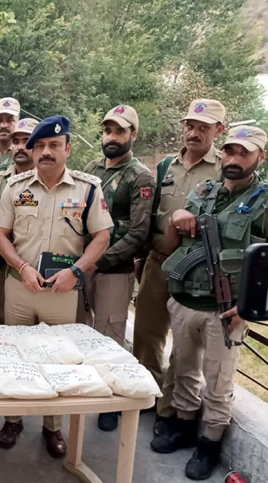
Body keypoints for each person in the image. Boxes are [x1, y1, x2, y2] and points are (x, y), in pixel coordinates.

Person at [152, 125, 268, 480]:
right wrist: (177, 217)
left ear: (260, 157)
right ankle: (185, 427)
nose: (234, 159)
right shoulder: (203, 191)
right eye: (230, 151)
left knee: (218, 381)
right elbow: (172, 241)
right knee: (184, 370)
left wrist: (250, 307)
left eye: (244, 153)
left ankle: (209, 443)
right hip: (186, 299)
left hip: (227, 310)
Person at [0, 116, 112, 456]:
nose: (47, 152)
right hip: (20, 286)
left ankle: (52, 426)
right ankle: (13, 420)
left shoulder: (87, 188)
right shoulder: (16, 187)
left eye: (54, 146)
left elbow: (102, 236)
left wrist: (76, 270)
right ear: (31, 152)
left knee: (58, 362)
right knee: (16, 357)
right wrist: (21, 266)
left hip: (62, 291)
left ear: (68, 148)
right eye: (40, 146)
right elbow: (1, 235)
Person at [133, 99, 225, 436]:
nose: (194, 132)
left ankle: (168, 409)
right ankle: (146, 394)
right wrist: (142, 259)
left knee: (185, 342)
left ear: (219, 131)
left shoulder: (223, 168)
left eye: (204, 127)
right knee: (147, 333)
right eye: (190, 125)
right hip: (159, 261)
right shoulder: (166, 166)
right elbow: (150, 216)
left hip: (197, 268)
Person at [82, 106, 155, 431]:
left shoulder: (140, 176)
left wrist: (98, 263)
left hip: (113, 270)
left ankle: (111, 400)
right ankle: (85, 390)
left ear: (133, 135)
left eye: (120, 131)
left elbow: (139, 233)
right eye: (108, 131)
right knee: (81, 332)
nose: (112, 137)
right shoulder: (92, 168)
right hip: (83, 267)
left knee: (109, 336)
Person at [0, 118, 40, 325]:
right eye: (16, 141)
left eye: (27, 141)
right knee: (1, 318)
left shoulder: (47, 181)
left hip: (35, 261)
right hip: (2, 260)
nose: (20, 147)